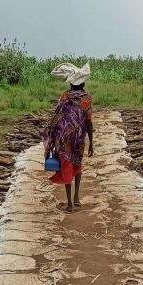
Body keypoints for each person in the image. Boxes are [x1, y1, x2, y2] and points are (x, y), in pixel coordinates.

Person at [44, 63, 94, 213]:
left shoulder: (65, 96)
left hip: (64, 137)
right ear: (83, 83)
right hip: (79, 138)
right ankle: (77, 198)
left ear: (71, 83)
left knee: (67, 166)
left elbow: (56, 117)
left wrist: (51, 137)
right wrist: (91, 141)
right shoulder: (87, 99)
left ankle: (70, 204)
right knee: (77, 164)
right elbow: (89, 122)